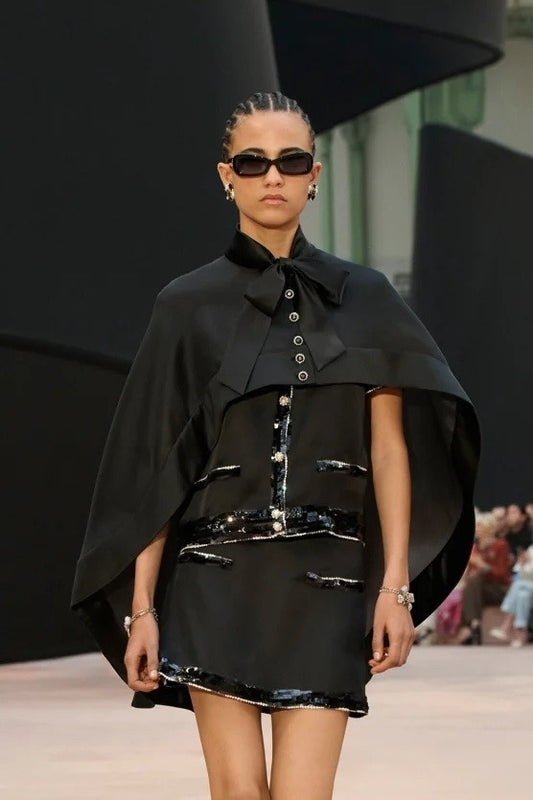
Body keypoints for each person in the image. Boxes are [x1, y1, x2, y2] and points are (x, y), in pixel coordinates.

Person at [71, 91, 480, 799]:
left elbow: (389, 453)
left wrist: (394, 589)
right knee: (237, 794)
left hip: (328, 581)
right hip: (213, 576)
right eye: (252, 162)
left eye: (290, 162)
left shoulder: (366, 298)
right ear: (225, 175)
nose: (272, 176)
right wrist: (142, 607)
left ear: (313, 175)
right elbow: (157, 466)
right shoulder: (186, 305)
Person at [455, 512, 512, 645]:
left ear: (489, 528)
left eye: (480, 526)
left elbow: (502, 574)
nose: (477, 529)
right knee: (471, 583)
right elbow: (470, 575)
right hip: (480, 589)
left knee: (474, 582)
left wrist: (482, 566)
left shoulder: (500, 545)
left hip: (500, 589)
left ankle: (471, 627)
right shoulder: (475, 548)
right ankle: (474, 625)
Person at [490, 542, 533, 647]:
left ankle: (507, 626)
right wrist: (522, 563)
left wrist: (529, 564)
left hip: (527, 585)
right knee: (522, 595)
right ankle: (520, 633)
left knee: (518, 585)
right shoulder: (531, 549)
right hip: (527, 587)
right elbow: (519, 572)